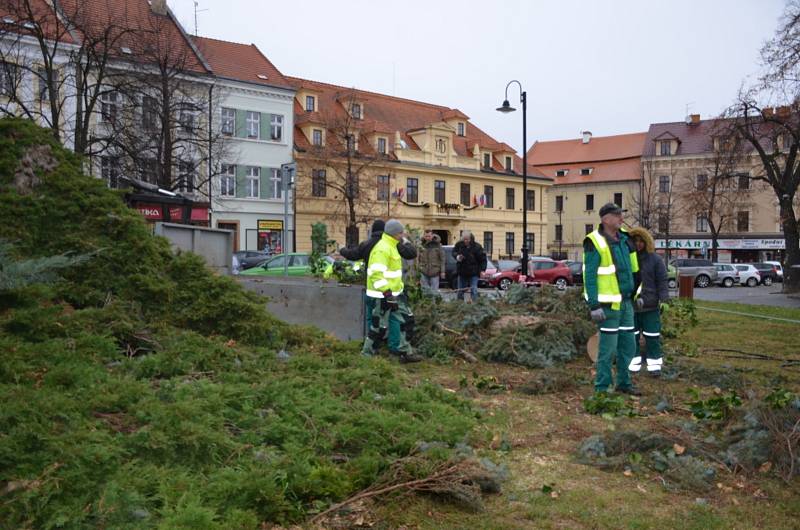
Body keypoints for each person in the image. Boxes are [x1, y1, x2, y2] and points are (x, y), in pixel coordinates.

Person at [583, 203, 642, 395]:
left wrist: (637, 295)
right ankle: (602, 388)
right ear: (606, 219)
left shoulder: (626, 240)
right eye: (617, 216)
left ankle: (624, 383)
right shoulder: (595, 241)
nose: (621, 219)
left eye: (621, 215)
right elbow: (589, 276)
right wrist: (594, 305)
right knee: (607, 350)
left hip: (626, 304)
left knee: (629, 346)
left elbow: (635, 271)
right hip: (607, 306)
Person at [362, 219, 422, 363]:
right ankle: (367, 355)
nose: (403, 235)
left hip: (393, 294)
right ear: (395, 233)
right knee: (378, 327)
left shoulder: (392, 245)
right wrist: (387, 293)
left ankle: (402, 350)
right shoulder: (382, 249)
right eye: (401, 233)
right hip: (381, 295)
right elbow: (376, 274)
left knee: (403, 321)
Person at [627, 227, 669, 377]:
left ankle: (654, 367)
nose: (638, 244)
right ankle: (633, 365)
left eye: (641, 241)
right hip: (631, 307)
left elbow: (662, 281)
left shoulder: (655, 259)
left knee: (652, 337)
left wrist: (664, 300)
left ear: (646, 242)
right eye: (635, 241)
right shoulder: (627, 258)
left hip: (650, 306)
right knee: (632, 337)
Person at [453, 230, 486, 301]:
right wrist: (458, 257)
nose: (465, 241)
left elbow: (483, 259)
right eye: (464, 239)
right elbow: (454, 252)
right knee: (460, 291)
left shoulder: (477, 247)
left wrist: (483, 270)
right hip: (462, 272)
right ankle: (459, 305)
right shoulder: (459, 245)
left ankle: (474, 305)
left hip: (474, 272)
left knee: (474, 290)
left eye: (467, 239)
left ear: (470, 238)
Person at [418, 230, 445, 296]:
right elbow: (418, 258)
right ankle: (426, 305)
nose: (427, 238)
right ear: (424, 236)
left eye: (429, 236)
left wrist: (442, 271)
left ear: (432, 236)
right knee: (424, 291)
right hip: (423, 270)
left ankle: (433, 305)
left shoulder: (438, 245)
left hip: (435, 271)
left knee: (434, 291)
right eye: (426, 236)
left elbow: (443, 259)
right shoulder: (421, 245)